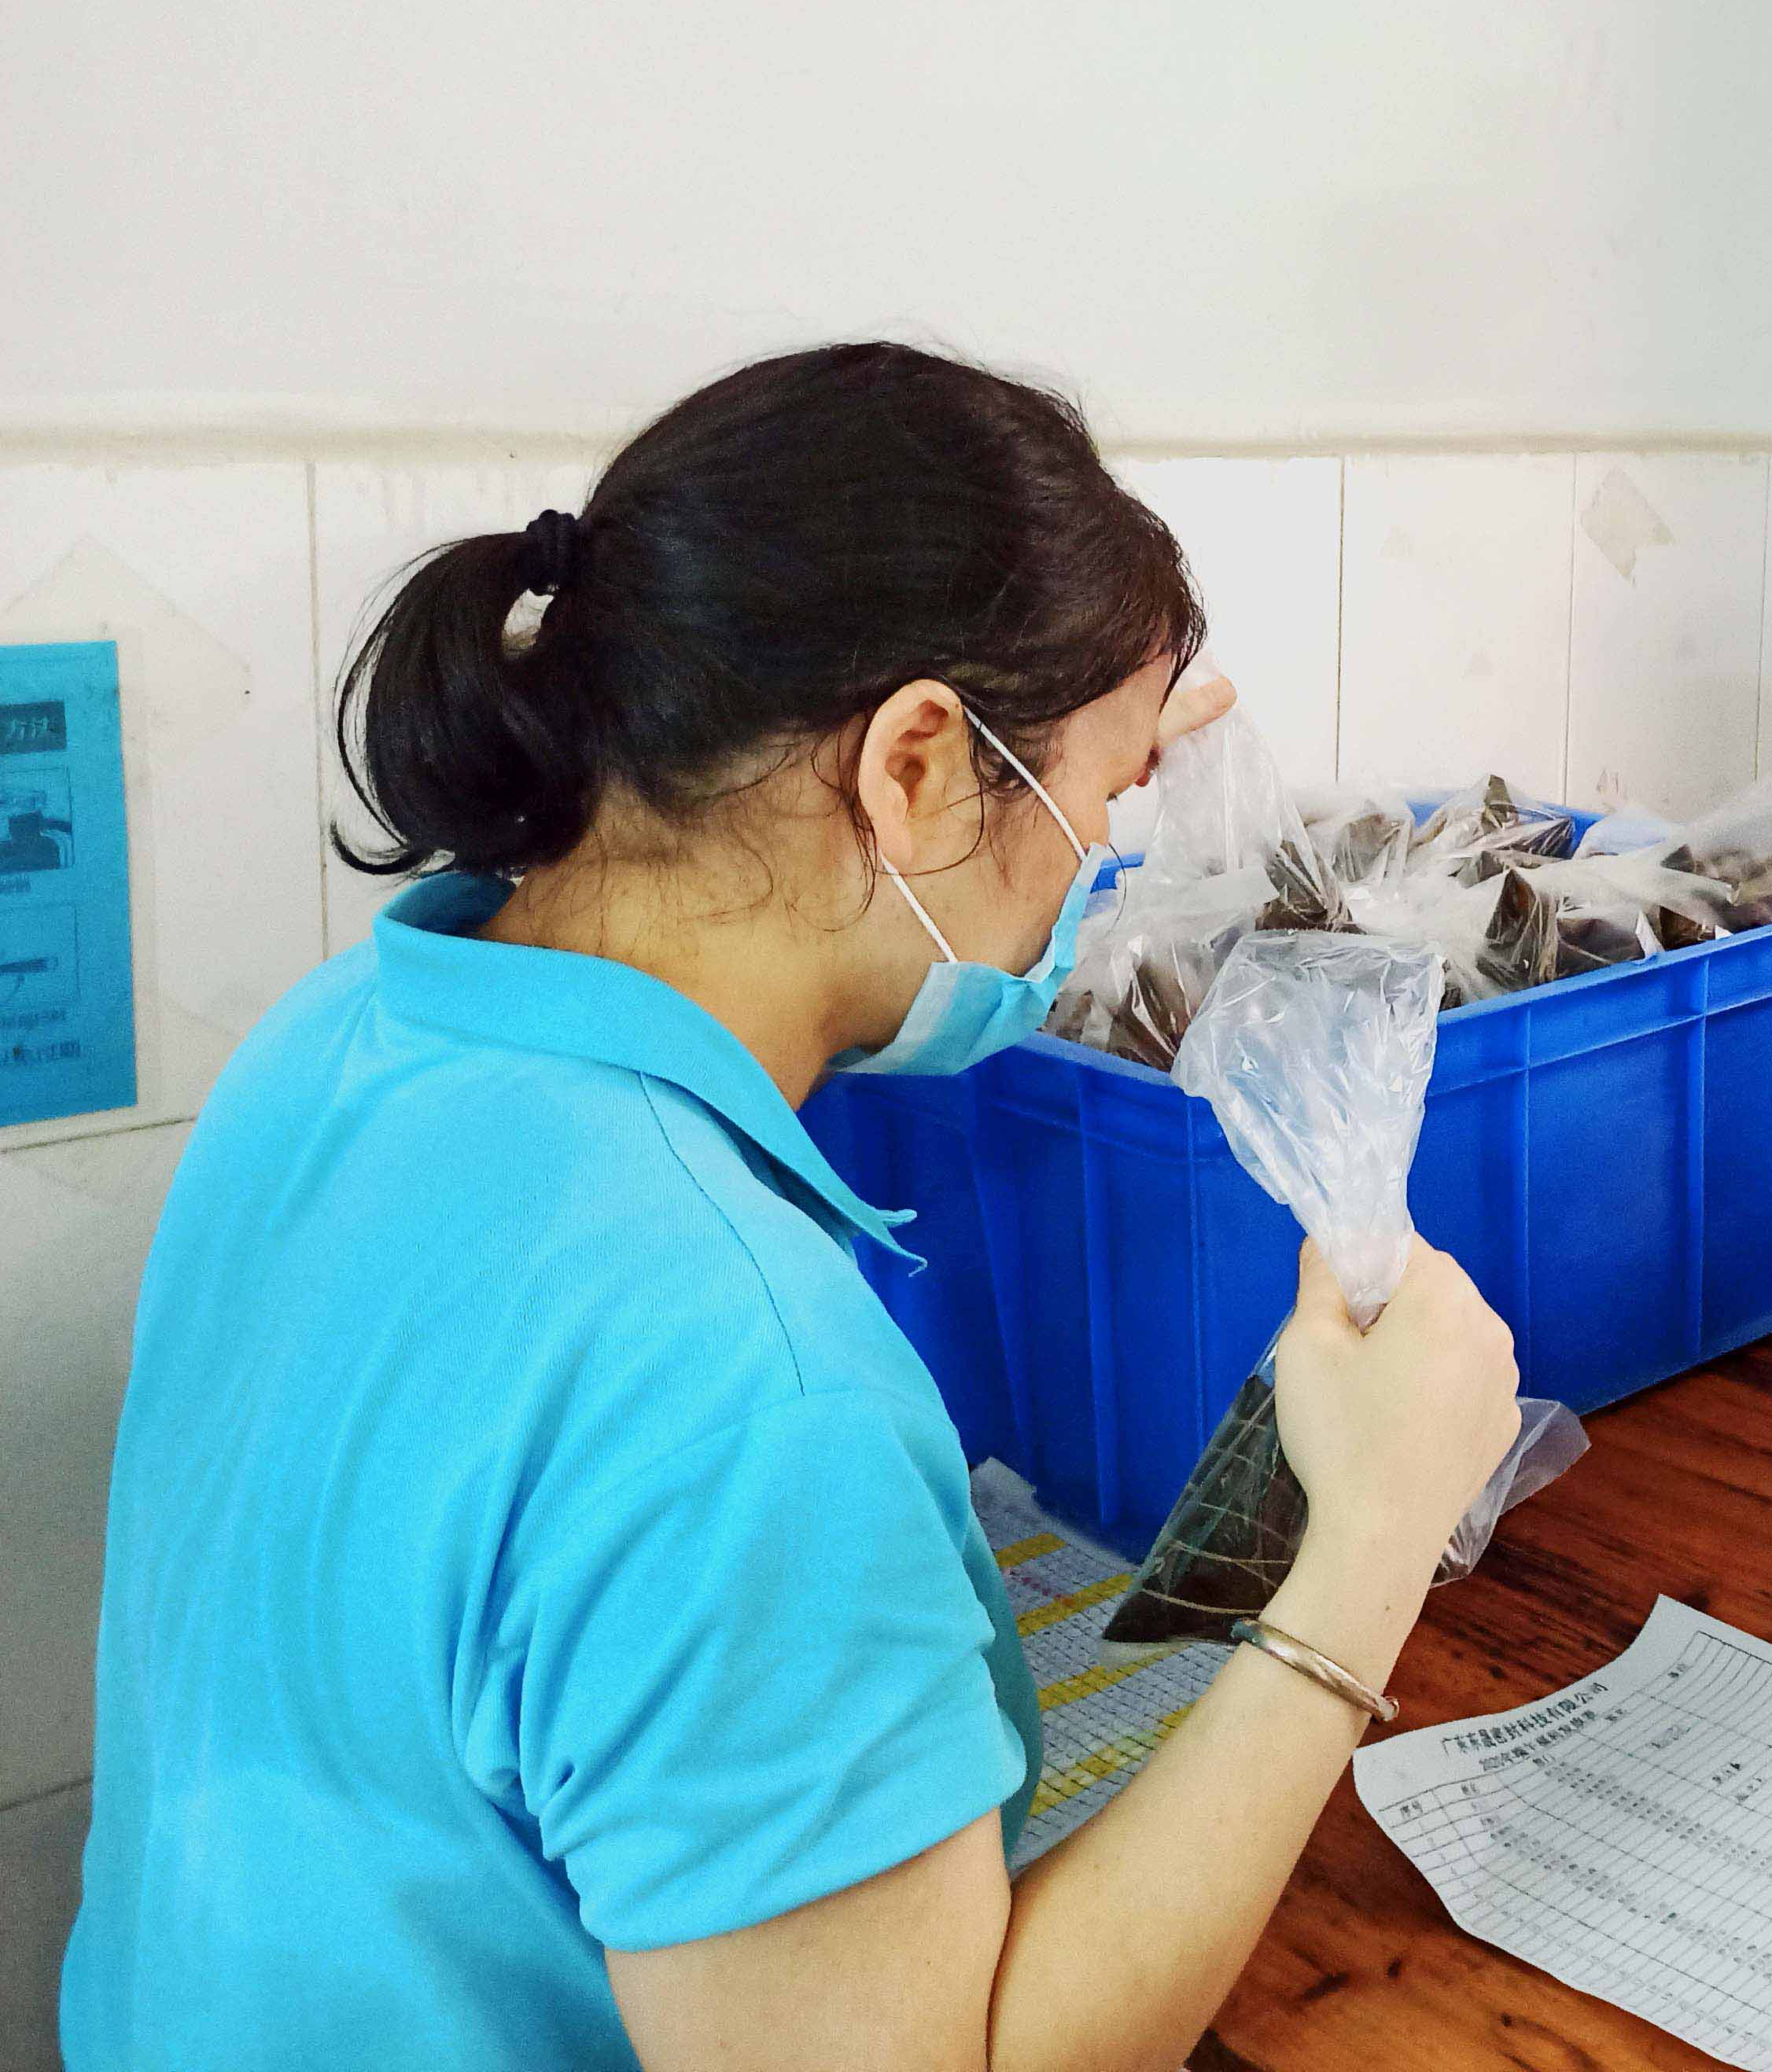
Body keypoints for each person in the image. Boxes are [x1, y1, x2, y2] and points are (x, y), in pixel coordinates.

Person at [63, 344, 1521, 2071]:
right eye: (1106, 803)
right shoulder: (743, 1387)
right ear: (911, 764)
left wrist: (1101, 721)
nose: (1103, 871)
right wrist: (1360, 1562)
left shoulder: (344, 1038)